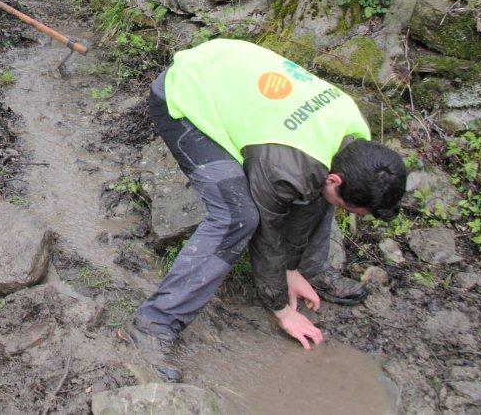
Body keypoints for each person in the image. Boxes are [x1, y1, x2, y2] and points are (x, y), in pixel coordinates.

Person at [119, 39, 407, 381]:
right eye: (353, 208)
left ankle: (310, 270)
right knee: (238, 216)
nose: (352, 213)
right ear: (334, 177)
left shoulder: (354, 138)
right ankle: (153, 324)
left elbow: (311, 194)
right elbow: (267, 236)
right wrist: (282, 308)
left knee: (321, 195)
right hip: (185, 94)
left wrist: (291, 269)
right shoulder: (285, 166)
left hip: (232, 78)